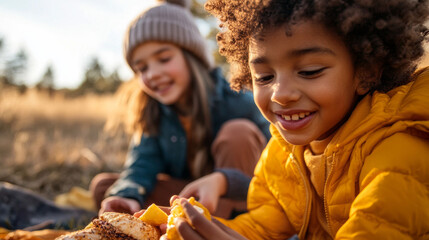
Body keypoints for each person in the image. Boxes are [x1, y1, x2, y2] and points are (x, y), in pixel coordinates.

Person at [157, 0, 429, 239]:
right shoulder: (284, 151)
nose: (280, 94)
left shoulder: (399, 150)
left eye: (310, 71)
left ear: (365, 71)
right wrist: (195, 229)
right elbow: (261, 227)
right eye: (264, 77)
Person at [90, 0, 270, 218]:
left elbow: (278, 165)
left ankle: (216, 226)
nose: (152, 74)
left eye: (164, 59)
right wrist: (127, 193)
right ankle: (189, 219)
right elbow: (142, 164)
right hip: (190, 196)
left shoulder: (238, 101)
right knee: (106, 188)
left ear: (192, 57)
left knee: (238, 132)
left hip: (244, 196)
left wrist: (226, 182)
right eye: (142, 68)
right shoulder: (153, 111)